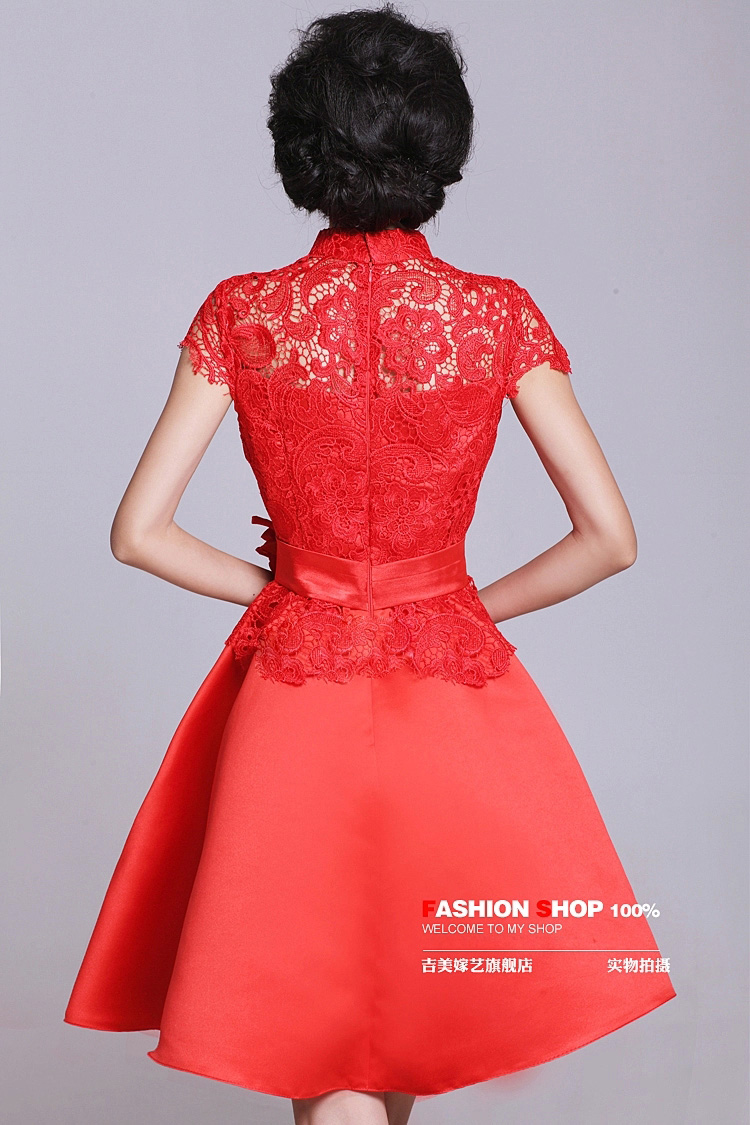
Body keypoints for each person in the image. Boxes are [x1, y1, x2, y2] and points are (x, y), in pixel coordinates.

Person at [63, 5, 676, 1123]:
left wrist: (282, 591)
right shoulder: (496, 317)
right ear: (439, 145)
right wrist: (458, 608)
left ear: (303, 147)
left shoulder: (245, 314)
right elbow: (610, 540)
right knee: (401, 1023)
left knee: (321, 1036)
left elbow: (139, 532)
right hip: (452, 696)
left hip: (295, 698)